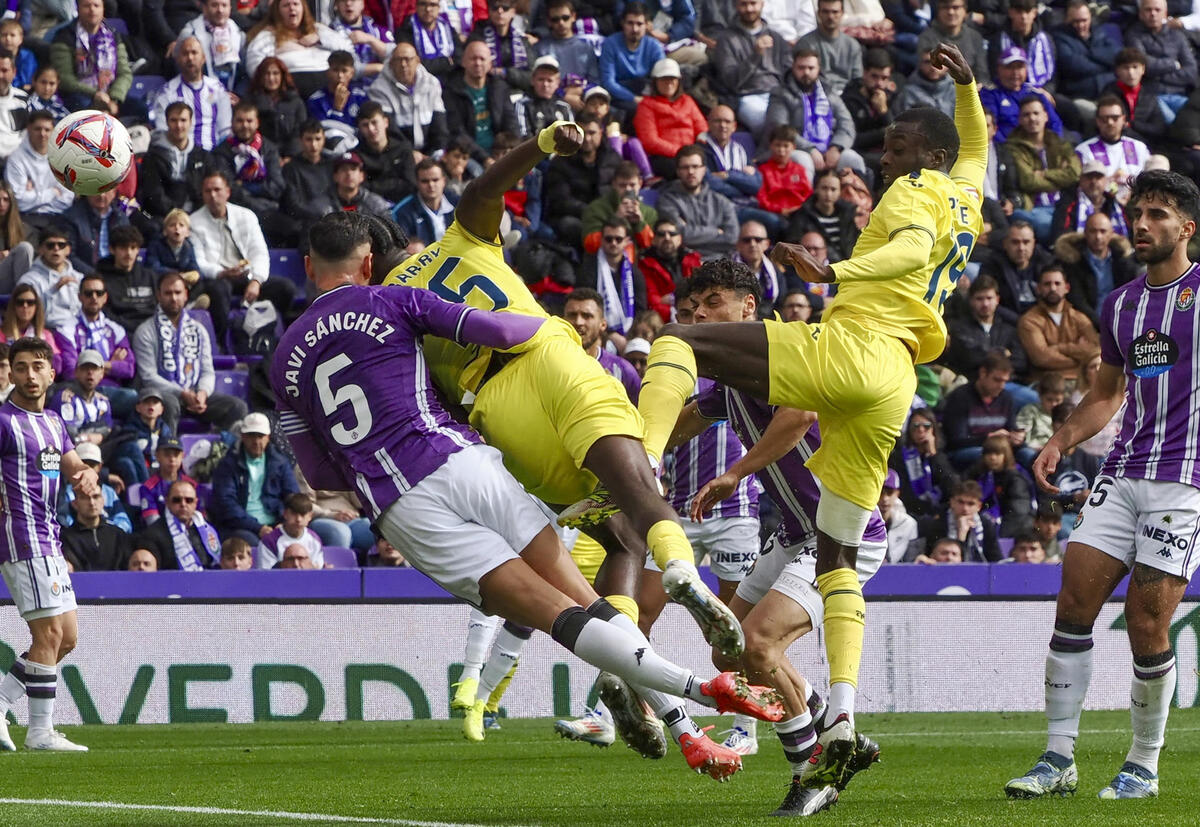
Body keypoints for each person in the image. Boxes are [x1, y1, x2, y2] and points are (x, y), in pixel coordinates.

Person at [276, 211, 783, 771]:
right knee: (591, 590)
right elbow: (502, 329)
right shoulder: (389, 301)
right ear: (370, 263)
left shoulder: (283, 363)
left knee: (560, 616)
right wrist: (553, 331)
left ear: (306, 267)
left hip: (403, 507)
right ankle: (686, 724)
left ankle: (696, 698)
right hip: (462, 459)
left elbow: (321, 478)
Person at [623, 42, 985, 791]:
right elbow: (975, 148)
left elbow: (910, 247)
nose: (884, 155)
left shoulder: (914, 192)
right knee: (767, 620)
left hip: (857, 347)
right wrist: (970, 88)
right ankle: (841, 718)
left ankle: (812, 766)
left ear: (927, 154)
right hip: (894, 382)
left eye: (898, 145)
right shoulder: (966, 194)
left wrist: (836, 269)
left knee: (674, 341)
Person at [660, 263, 885, 813]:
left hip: (842, 535)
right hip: (792, 533)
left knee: (758, 644)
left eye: (715, 302)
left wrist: (735, 473)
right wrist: (632, 449)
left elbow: (799, 412)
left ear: (747, 309)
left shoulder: (781, 354)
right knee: (728, 651)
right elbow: (687, 418)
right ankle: (837, 733)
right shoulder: (730, 378)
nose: (702, 317)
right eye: (693, 311)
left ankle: (814, 771)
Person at [1005, 170, 1200, 802]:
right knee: (1072, 609)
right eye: (1136, 213)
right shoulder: (1120, 304)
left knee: (1147, 625)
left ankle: (1143, 763)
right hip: (1121, 475)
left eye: (1158, 214)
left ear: (1187, 228)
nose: (1141, 224)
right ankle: (1058, 759)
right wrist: (1059, 440)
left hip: (1182, 485)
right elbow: (1108, 393)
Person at [0, 336, 99, 752]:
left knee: (67, 638)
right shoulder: (4, 421)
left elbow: (69, 460)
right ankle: (40, 732)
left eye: (37, 367)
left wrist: (86, 475)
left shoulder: (55, 422)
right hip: (21, 536)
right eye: (20, 367)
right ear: (11, 373)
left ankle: (2, 700)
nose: (29, 375)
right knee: (49, 633)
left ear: (51, 372)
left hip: (50, 536)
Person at [132, 272, 248, 432]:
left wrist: (202, 393)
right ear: (158, 296)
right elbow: (148, 377)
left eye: (178, 293)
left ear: (186, 295)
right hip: (163, 394)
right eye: (168, 293)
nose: (173, 298)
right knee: (169, 404)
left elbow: (207, 371)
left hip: (194, 395)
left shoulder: (199, 330)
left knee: (237, 407)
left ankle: (224, 453)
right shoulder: (145, 331)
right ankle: (167, 452)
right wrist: (181, 393)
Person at [189, 169, 297, 324]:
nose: (213, 195)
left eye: (217, 190)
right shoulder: (194, 222)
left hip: (246, 276)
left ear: (228, 192)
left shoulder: (246, 215)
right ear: (202, 194)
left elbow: (259, 252)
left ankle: (271, 333)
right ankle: (222, 341)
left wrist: (256, 281)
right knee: (219, 290)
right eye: (208, 191)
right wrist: (222, 273)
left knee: (286, 288)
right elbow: (199, 262)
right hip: (219, 278)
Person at [765, 48, 865, 180]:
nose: (806, 72)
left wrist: (836, 147)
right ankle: (805, 200)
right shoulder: (780, 93)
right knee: (803, 160)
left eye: (811, 68)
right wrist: (810, 149)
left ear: (818, 69)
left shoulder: (828, 92)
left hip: (829, 147)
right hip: (796, 149)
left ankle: (857, 198)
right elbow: (779, 129)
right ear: (793, 68)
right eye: (801, 68)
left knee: (852, 158)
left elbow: (847, 124)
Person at [209, 412, 300, 544]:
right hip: (240, 526)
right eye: (251, 436)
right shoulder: (227, 465)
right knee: (256, 544)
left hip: (277, 523)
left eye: (260, 436)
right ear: (243, 436)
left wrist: (285, 522)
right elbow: (226, 503)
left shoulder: (280, 462)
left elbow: (292, 496)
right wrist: (258, 528)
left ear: (268, 437)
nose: (256, 441)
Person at [1007, 95, 1081, 245]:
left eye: (1036, 113)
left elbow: (1074, 174)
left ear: (1046, 116)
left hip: (1063, 205)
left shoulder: (1060, 144)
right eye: (1026, 115)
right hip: (1034, 208)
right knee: (1044, 225)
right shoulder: (1012, 148)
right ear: (1020, 119)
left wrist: (1044, 174)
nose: (1032, 118)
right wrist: (1060, 177)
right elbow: (1028, 181)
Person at [245, 0, 356, 97]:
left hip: (330, 86)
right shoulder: (268, 35)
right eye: (286, 5)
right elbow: (254, 66)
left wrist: (320, 40)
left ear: (303, 8)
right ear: (277, 11)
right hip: (291, 91)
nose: (292, 8)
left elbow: (348, 49)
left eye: (296, 4)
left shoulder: (319, 30)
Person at [710, 0, 789, 135]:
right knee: (767, 123)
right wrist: (755, 55)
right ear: (736, 5)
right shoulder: (726, 40)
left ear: (762, 4)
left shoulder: (776, 37)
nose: (749, 9)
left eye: (753, 3)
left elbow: (789, 71)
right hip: (747, 96)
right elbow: (731, 81)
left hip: (777, 93)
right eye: (743, 4)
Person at [544, 113, 621, 249]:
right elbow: (561, 201)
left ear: (601, 133)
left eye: (592, 133)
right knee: (570, 225)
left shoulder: (612, 158)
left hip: (606, 215)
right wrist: (591, 211)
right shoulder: (561, 162)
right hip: (575, 216)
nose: (587, 138)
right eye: (582, 133)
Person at [941, 350, 1027, 469]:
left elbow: (1011, 428)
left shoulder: (1006, 398)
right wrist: (989, 438)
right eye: (997, 380)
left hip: (1000, 451)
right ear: (983, 373)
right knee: (991, 457)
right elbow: (956, 441)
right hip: (967, 452)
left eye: (1005, 381)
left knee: (1029, 455)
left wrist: (1018, 438)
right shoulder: (960, 397)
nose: (1001, 386)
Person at [1053, 212, 1139, 328]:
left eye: (1103, 231)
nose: (1098, 237)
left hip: (1121, 322)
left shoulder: (1123, 262)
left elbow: (1132, 297)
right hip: (1085, 325)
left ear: (1111, 234)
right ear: (1085, 233)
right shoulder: (1073, 262)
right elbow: (1078, 301)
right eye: (1093, 231)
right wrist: (1101, 325)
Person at [1017, 265, 1100, 385]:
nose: (1052, 288)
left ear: (1067, 287)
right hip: (1045, 385)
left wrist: (1059, 348)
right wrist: (1080, 357)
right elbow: (1041, 357)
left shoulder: (1079, 318)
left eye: (1057, 283)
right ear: (1038, 289)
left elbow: (1095, 351)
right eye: (1047, 284)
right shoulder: (1029, 320)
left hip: (1081, 382)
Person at [442, 40, 520, 162]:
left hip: (499, 153)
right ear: (463, 62)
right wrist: (485, 159)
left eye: (482, 59)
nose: (478, 63)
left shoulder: (500, 88)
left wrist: (509, 150)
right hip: (468, 155)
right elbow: (457, 132)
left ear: (490, 64)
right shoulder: (451, 92)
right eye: (473, 59)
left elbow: (511, 124)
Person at [49, 0, 133, 114]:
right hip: (80, 94)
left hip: (110, 94)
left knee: (139, 107)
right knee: (82, 104)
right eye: (87, 6)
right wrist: (95, 94)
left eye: (96, 5)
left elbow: (125, 73)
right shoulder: (64, 36)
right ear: (78, 9)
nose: (92, 9)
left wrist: (114, 98)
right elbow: (65, 79)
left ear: (103, 9)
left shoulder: (113, 35)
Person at [656, 145, 739, 258]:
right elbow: (680, 235)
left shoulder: (721, 201)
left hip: (721, 264)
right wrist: (715, 232)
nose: (690, 172)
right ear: (678, 171)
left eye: (695, 166)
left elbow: (732, 238)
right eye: (685, 167)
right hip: (685, 263)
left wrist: (692, 237)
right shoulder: (667, 201)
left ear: (704, 169)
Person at [150, 37, 233, 151]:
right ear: (178, 59)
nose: (190, 58)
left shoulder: (218, 89)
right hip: (180, 155)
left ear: (203, 57)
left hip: (213, 156)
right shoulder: (167, 92)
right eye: (185, 54)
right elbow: (162, 130)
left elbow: (225, 130)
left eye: (194, 53)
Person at [367, 43, 448, 157]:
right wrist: (409, 154)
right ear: (391, 63)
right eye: (398, 60)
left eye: (408, 59)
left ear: (417, 61)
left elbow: (439, 124)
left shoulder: (431, 83)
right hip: (398, 153)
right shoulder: (378, 89)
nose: (403, 64)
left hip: (429, 151)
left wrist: (437, 152)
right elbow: (390, 131)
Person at [945, 274, 1028, 381]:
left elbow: (1021, 362)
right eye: (979, 299)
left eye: (989, 298)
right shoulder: (959, 328)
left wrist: (989, 359)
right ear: (971, 300)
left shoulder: (1009, 330)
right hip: (970, 383)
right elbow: (970, 358)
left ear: (997, 299)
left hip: (1008, 383)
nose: (985, 304)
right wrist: (1002, 353)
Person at [563, 288, 642, 402]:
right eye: (572, 315)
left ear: (603, 324)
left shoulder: (622, 370)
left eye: (587, 315)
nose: (579, 322)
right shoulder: (548, 364)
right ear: (562, 320)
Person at [139, 102, 214, 221]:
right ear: (167, 122)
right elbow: (154, 194)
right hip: (163, 218)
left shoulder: (203, 156)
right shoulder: (153, 156)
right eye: (173, 120)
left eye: (183, 120)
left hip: (198, 216)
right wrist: (178, 216)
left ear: (191, 122)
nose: (179, 126)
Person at [633, 58, 706, 180]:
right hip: (665, 157)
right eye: (664, 79)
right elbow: (650, 141)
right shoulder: (646, 105)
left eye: (672, 79)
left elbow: (702, 128)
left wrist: (695, 150)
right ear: (655, 82)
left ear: (678, 81)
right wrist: (681, 153)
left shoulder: (687, 101)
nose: (669, 83)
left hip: (692, 154)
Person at [575, 218, 645, 341]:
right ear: (601, 240)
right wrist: (611, 335)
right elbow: (584, 305)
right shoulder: (588, 269)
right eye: (609, 239)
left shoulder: (635, 273)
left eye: (618, 239)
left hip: (631, 333)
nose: (613, 243)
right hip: (597, 331)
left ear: (626, 241)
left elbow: (641, 309)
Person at [4, 111, 73, 235]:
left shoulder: (62, 158)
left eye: (47, 130)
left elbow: (67, 199)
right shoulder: (16, 159)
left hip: (58, 216)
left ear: (53, 132)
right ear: (29, 129)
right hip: (27, 218)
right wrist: (53, 192)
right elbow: (19, 202)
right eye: (37, 129)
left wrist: (32, 194)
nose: (42, 134)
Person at [888, 406, 959, 518]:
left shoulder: (940, 455)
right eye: (915, 426)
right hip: (910, 512)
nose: (921, 430)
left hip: (939, 512)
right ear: (909, 430)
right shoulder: (899, 457)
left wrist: (933, 454)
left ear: (933, 430)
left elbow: (953, 486)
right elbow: (904, 493)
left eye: (926, 426)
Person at [134, 479, 222, 570]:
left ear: (196, 503)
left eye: (189, 500)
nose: (183, 504)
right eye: (177, 500)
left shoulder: (207, 529)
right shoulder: (152, 536)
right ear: (167, 502)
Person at [1075, 97, 1150, 203]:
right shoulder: (1084, 150)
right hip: (1101, 206)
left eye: (1115, 118)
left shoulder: (1139, 147)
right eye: (1104, 119)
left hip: (1137, 203)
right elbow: (1082, 186)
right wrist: (1110, 180)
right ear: (1097, 121)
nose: (1110, 122)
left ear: (1124, 119)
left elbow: (1149, 180)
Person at [599, 2, 666, 117]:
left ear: (647, 25)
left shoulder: (654, 46)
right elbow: (608, 82)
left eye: (639, 24)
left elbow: (663, 75)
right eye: (630, 23)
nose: (634, 29)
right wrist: (634, 98)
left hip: (645, 91)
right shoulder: (610, 44)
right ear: (622, 23)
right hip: (618, 95)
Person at [1125, 0, 1195, 110]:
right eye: (1148, 10)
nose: (1153, 13)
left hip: (1180, 95)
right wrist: (1173, 65)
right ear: (1140, 14)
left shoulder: (1178, 36)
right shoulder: (1133, 35)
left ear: (1165, 13)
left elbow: (1191, 72)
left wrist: (1157, 75)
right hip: (1152, 97)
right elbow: (1145, 66)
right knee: (1176, 123)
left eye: (1157, 10)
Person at [783, 168, 860, 263]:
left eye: (833, 189)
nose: (828, 194)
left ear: (840, 192)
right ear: (816, 189)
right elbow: (793, 247)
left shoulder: (849, 214)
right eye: (824, 188)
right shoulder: (802, 216)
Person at [915, 479, 1003, 561]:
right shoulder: (939, 523)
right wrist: (961, 535)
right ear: (952, 502)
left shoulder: (986, 524)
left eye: (970, 504)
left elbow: (996, 559)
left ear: (979, 506)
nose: (965, 508)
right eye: (960, 502)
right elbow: (933, 557)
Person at [17, 226, 84, 334]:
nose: (56, 249)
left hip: (79, 332)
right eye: (50, 245)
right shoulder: (29, 281)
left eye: (61, 245)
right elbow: (28, 315)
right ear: (40, 249)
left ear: (68, 250)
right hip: (47, 332)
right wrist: (53, 290)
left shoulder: (79, 278)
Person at [979, 220, 1052, 316]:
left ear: (1033, 244)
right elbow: (989, 302)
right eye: (1015, 242)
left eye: (1026, 242)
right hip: (1007, 323)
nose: (1021, 248)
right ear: (1005, 244)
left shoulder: (1047, 263)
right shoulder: (992, 266)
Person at [0, 282, 73, 376]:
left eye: (30, 302)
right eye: (20, 302)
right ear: (13, 306)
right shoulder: (2, 333)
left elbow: (57, 367)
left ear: (36, 306)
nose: (25, 306)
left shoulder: (46, 335)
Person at [354, 102, 417, 205]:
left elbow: (410, 184)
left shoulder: (403, 148)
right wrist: (395, 183)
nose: (371, 129)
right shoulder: (357, 154)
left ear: (386, 122)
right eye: (365, 125)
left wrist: (374, 186)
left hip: (403, 205)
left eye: (374, 122)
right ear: (360, 128)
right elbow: (360, 188)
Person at [971, 433, 1034, 536]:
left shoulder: (1015, 478)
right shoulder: (983, 473)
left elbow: (1017, 513)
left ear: (1006, 455)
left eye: (997, 454)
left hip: (1015, 528)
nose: (992, 458)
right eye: (988, 454)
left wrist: (1001, 536)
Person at [796, 0, 862, 97]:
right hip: (816, 94)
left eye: (835, 12)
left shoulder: (853, 45)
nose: (830, 16)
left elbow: (857, 79)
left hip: (848, 97)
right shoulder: (806, 43)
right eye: (825, 12)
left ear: (842, 13)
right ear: (818, 13)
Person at [306, 50, 370, 151]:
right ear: (328, 72)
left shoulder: (360, 97)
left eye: (344, 71)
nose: (340, 76)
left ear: (352, 73)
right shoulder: (316, 100)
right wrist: (337, 110)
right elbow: (323, 132)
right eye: (335, 70)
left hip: (357, 147)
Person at [639, 217, 700, 321]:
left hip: (693, 317)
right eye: (661, 234)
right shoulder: (644, 265)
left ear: (679, 239)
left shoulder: (693, 259)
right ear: (654, 240)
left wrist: (670, 300)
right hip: (662, 323)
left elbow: (700, 296)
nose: (667, 238)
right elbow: (652, 303)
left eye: (672, 234)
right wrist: (680, 313)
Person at [468, 0, 535, 92]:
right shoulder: (477, 37)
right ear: (489, 11)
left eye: (505, 8)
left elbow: (531, 76)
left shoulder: (522, 40)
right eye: (495, 8)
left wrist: (505, 73)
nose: (500, 11)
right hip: (487, 91)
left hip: (517, 92)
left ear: (513, 12)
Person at [247, 57, 308, 158]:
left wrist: (289, 157)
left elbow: (300, 131)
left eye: (275, 73)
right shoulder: (251, 101)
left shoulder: (295, 102)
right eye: (267, 74)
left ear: (282, 75)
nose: (271, 78)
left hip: (291, 157)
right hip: (261, 155)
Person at [178, 0, 245, 91]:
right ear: (204, 8)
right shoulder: (189, 34)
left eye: (224, 5)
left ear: (230, 8)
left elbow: (244, 74)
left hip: (232, 96)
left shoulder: (239, 34)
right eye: (214, 5)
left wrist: (237, 95)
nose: (220, 10)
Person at [391, 159, 458, 248]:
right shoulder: (402, 212)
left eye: (435, 180)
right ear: (417, 183)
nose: (431, 185)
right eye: (425, 181)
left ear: (444, 181)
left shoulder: (459, 204)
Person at [61, 487, 132, 572]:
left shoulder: (118, 535)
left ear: (103, 501)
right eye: (85, 498)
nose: (91, 503)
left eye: (96, 497)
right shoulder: (65, 538)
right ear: (75, 504)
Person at [916, 0, 987, 82]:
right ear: (938, 11)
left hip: (971, 89)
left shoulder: (975, 37)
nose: (950, 12)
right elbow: (926, 73)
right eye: (945, 8)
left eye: (956, 7)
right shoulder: (926, 37)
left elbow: (983, 74)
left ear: (965, 10)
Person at [395, 0, 463, 82]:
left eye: (433, 5)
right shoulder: (405, 30)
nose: (428, 9)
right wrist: (447, 62)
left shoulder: (448, 28)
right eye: (423, 4)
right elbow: (413, 65)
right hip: (419, 83)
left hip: (450, 85)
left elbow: (460, 59)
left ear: (439, 7)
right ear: (416, 6)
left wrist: (430, 64)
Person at [135, 436, 196, 526]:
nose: (172, 459)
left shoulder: (192, 485)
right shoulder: (148, 487)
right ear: (157, 456)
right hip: (161, 535)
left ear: (182, 456)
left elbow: (199, 517)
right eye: (167, 455)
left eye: (176, 455)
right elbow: (152, 522)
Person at [256, 492, 324, 568]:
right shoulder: (269, 541)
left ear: (310, 516)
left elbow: (317, 571)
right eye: (294, 514)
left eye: (303, 514)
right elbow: (265, 575)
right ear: (285, 514)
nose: (298, 519)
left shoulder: (315, 540)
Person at [879, 469, 920, 562]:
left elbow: (911, 560)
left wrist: (917, 559)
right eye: (880, 492)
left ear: (897, 493)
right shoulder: (860, 522)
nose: (884, 498)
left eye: (889, 493)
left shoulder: (909, 524)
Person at [0, 49, 27, 162]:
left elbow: (27, 136)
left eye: (4, 70)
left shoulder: (23, 100)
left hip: (17, 162)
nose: (0, 75)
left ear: (14, 72)